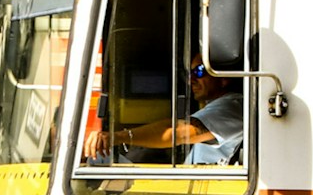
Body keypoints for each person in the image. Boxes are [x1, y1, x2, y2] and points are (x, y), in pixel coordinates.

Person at [83, 56, 244, 165]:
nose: (191, 80)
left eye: (199, 71)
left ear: (224, 77)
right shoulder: (218, 106)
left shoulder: (233, 107)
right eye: (189, 73)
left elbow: (179, 132)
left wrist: (118, 137)